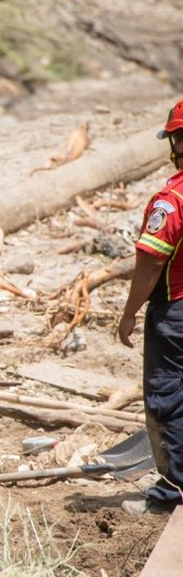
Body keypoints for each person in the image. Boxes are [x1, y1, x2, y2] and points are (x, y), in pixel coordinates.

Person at [118, 97, 183, 515]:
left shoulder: (171, 199)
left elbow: (151, 261)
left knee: (168, 399)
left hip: (175, 312)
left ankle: (172, 494)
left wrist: (129, 313)